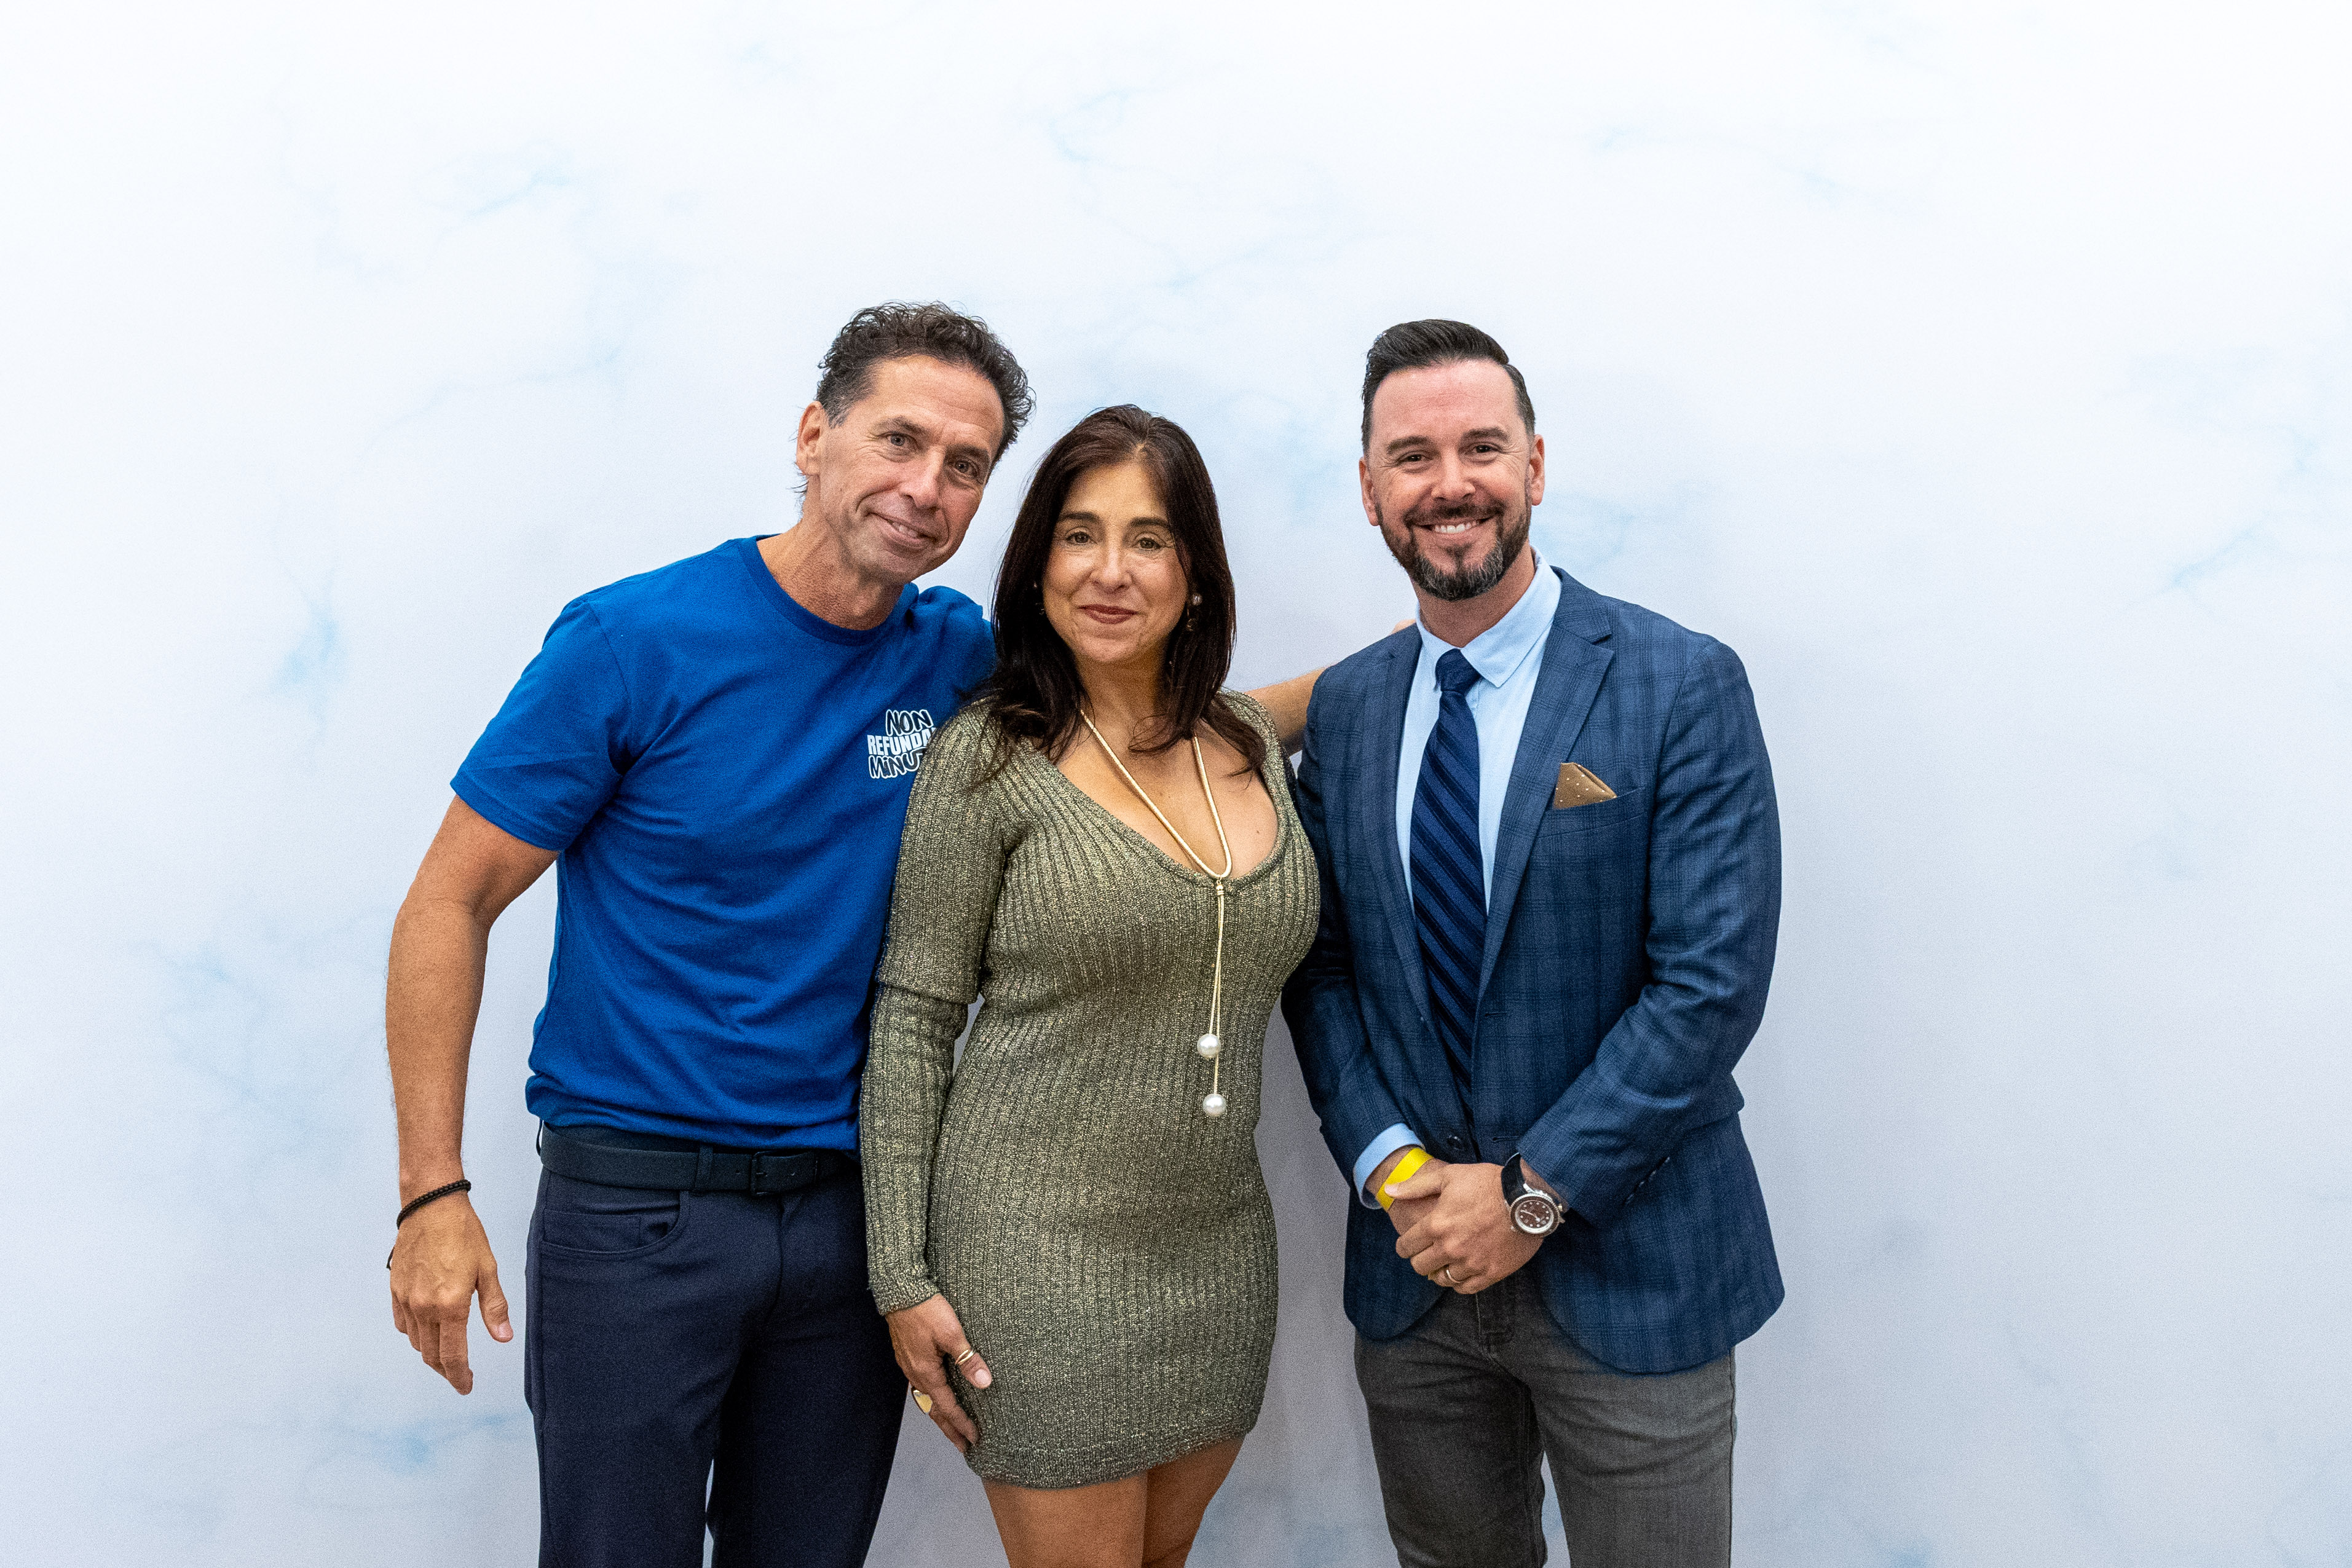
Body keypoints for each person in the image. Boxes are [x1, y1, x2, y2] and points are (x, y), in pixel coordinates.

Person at [382, 304, 1314, 1567]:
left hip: (846, 1218)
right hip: (642, 1210)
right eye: (898, 440)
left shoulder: (958, 660)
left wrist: (1380, 675)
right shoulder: (633, 642)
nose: (925, 486)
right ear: (813, 436)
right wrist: (431, 1191)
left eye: (965, 465)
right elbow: (448, 902)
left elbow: (1142, 727)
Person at [1282, 319, 1784, 1568]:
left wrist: (1527, 1195)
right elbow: (1322, 967)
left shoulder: (1678, 682)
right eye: (1412, 456)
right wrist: (1394, 1169)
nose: (1448, 483)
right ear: (1369, 489)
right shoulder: (1342, 712)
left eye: (1481, 447)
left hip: (1635, 1269)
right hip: (1416, 1278)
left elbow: (1707, 987)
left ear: (1536, 466)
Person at [859, 405, 1320, 1568]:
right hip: (1034, 1260)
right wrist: (899, 1275)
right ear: (1037, 565)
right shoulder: (988, 758)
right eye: (1079, 535)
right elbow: (913, 1019)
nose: (1109, 571)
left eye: (1148, 539)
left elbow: (1350, 687)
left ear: (1196, 575)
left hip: (1218, 1252)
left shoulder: (1245, 745)